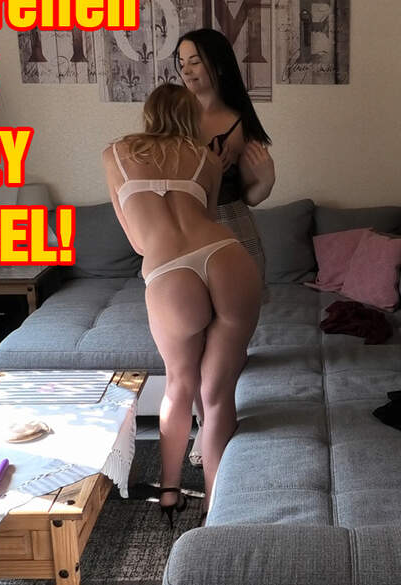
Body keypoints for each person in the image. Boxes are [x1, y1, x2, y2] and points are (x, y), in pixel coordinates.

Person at [102, 83, 262, 527]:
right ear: (191, 117)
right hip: (225, 256)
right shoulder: (205, 158)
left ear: (149, 114)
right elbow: (206, 217)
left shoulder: (115, 154)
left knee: (179, 385)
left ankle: (170, 493)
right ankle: (216, 505)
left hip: (169, 271)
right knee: (217, 394)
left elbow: (137, 241)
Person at [174, 28, 275, 467]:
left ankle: (214, 424)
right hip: (187, 229)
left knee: (228, 336)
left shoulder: (239, 121)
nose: (187, 70)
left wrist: (268, 179)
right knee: (193, 331)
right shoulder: (175, 117)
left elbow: (252, 195)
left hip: (234, 226)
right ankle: (204, 423)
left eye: (194, 60)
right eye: (181, 62)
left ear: (216, 63)